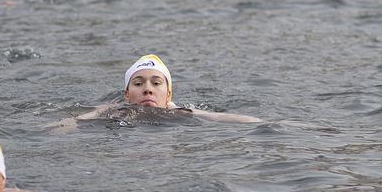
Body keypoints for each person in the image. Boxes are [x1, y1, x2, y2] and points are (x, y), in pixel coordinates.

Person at [53, 54, 260, 128]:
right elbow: (77, 119)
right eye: (138, 83)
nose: (147, 90)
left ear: (168, 94)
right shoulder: (114, 110)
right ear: (127, 93)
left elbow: (220, 118)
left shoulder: (181, 112)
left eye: (156, 83)